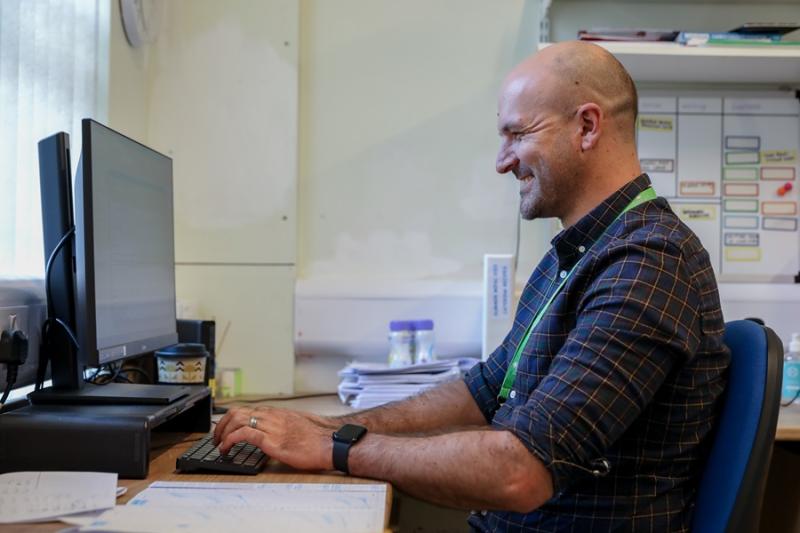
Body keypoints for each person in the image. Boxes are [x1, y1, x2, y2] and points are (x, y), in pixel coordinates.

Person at [214, 41, 730, 532]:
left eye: (518, 134)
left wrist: (335, 450)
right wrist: (330, 430)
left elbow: (520, 470)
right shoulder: (577, 254)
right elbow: (483, 390)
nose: (502, 161)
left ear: (587, 127)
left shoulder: (647, 262)